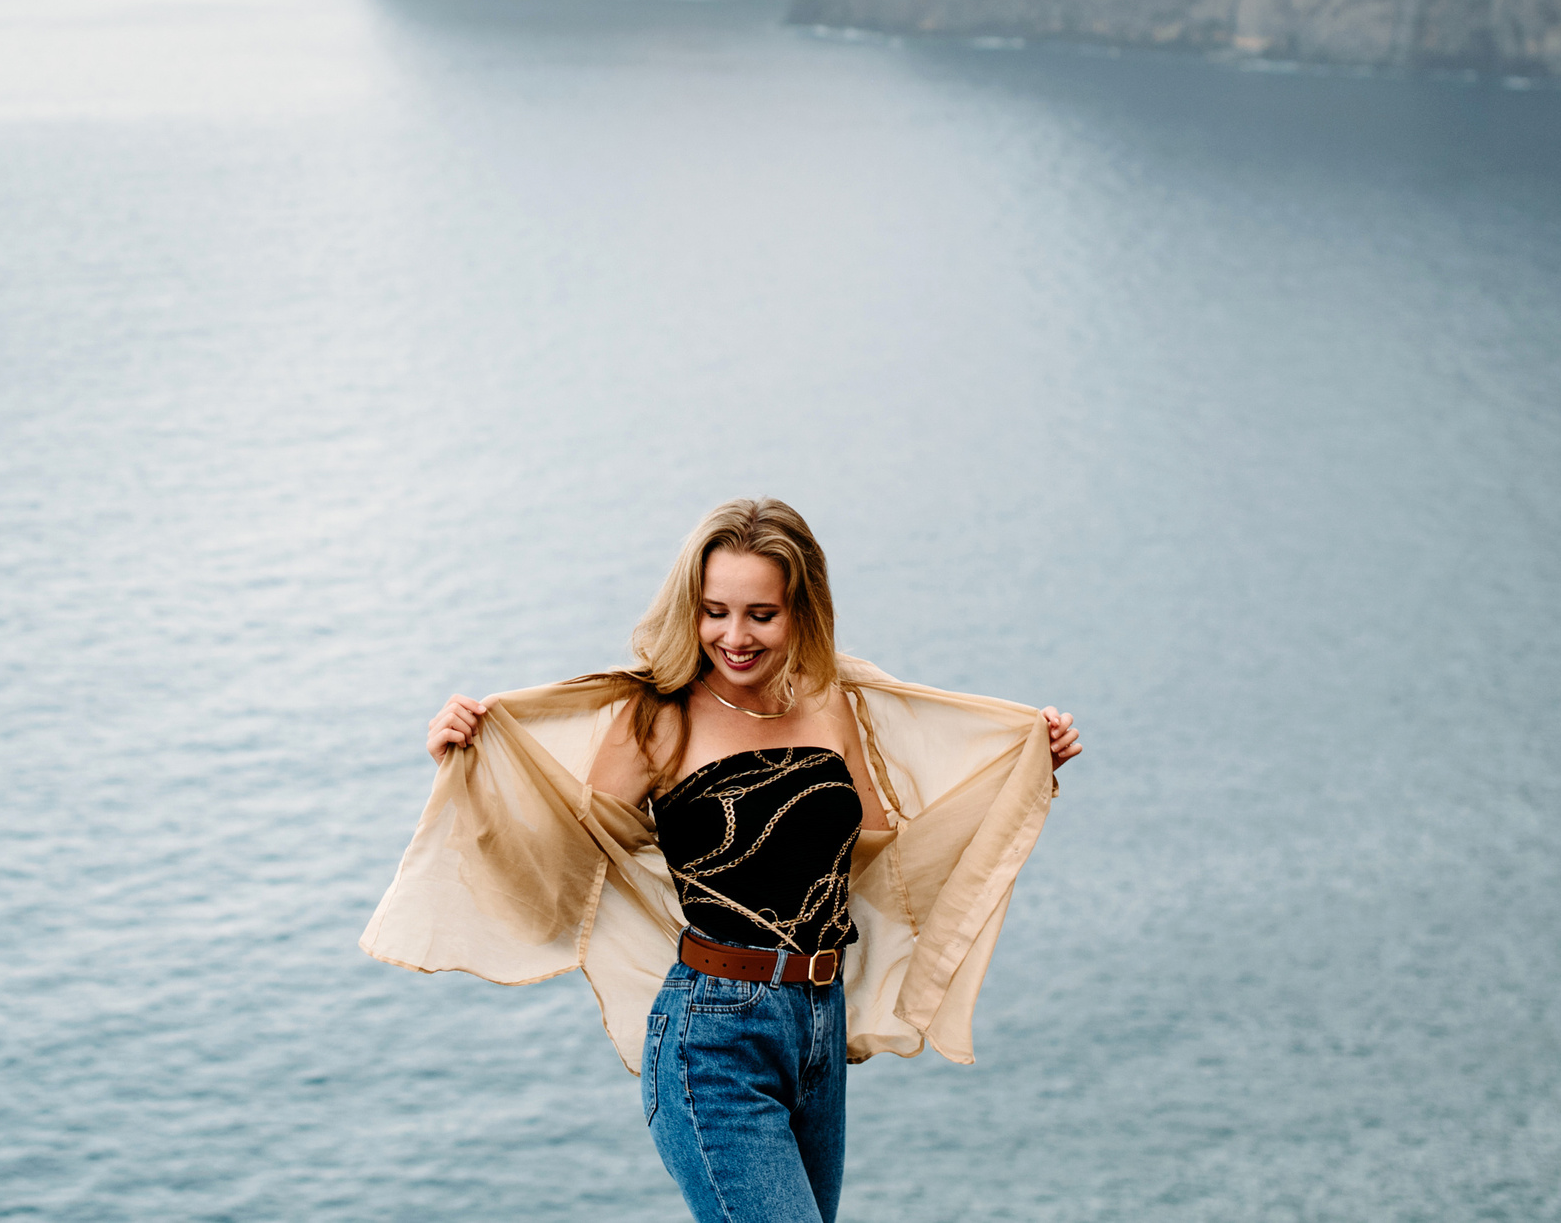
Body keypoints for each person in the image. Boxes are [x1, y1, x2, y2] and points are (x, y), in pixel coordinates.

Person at [364, 498, 1084, 1223]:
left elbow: (884, 852)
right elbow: (556, 871)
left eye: (760, 615)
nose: (734, 636)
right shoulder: (654, 717)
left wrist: (1024, 771)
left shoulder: (831, 700)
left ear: (801, 610)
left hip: (817, 1030)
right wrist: (462, 771)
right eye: (714, 610)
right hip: (712, 1040)